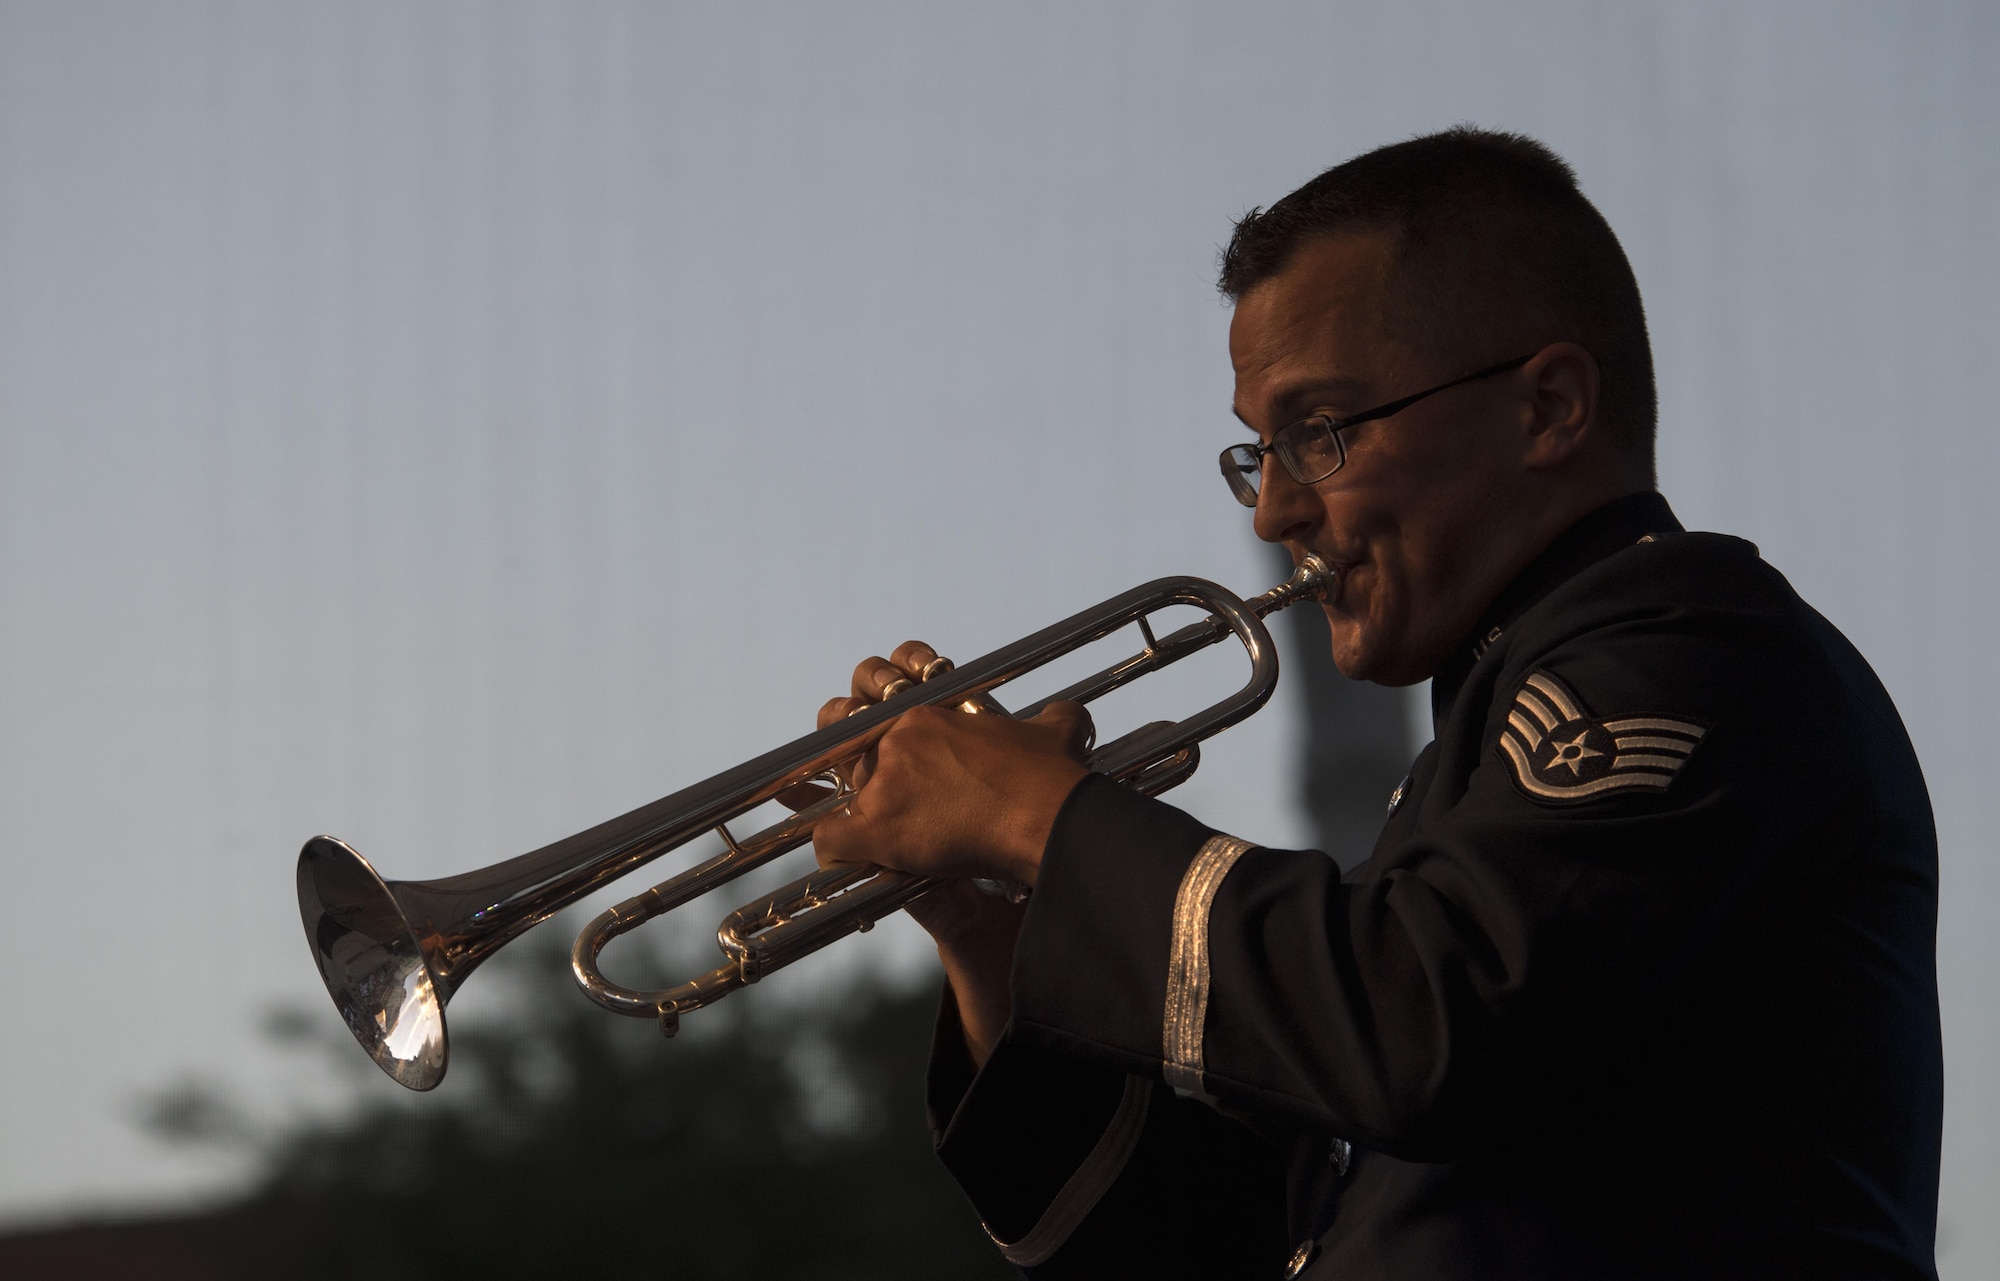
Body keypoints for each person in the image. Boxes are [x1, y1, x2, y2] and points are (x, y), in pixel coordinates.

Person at [805, 129, 1943, 1279]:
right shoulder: (1463, 775)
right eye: (1258, 452)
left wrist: (1039, 819)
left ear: (1545, 407)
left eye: (1320, 432)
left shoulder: (1692, 643)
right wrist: (1001, 935)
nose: (1273, 513)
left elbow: (1422, 1029)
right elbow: (1220, 1243)